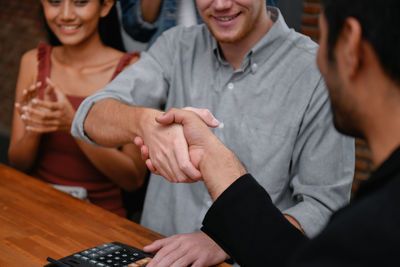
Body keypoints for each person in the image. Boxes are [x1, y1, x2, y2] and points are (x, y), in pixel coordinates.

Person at [71, 0, 354, 265]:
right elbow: (89, 116)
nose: (220, 5)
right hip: (151, 253)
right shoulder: (175, 46)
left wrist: (227, 239)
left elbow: (324, 207)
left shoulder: (318, 72)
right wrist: (143, 121)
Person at [142, 0, 400, 265]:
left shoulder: (371, 232)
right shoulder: (375, 220)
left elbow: (320, 213)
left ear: (350, 43)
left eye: (322, 39)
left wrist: (214, 161)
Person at [8, 0, 147, 218]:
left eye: (80, 2)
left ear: (105, 6)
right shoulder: (33, 62)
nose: (65, 15)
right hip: (33, 209)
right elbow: (18, 163)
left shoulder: (132, 70)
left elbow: (133, 179)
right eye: (54, 2)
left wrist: (74, 123)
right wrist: (35, 128)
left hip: (101, 218)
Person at [119, 0, 279, 46]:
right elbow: (136, 28)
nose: (221, 5)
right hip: (168, 67)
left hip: (232, 58)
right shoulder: (167, 51)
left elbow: (261, 13)